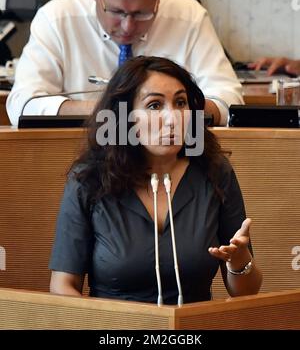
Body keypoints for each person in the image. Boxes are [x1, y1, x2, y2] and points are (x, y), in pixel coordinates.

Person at [49, 56, 262, 304]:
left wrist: (239, 259)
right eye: (154, 106)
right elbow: (62, 286)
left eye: (181, 103)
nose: (173, 118)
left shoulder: (214, 171)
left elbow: (246, 293)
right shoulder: (90, 179)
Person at [6, 0, 243, 126]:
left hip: (173, 156)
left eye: (142, 13)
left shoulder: (188, 15)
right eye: (117, 11)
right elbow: (22, 105)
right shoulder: (56, 18)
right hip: (80, 156)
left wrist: (171, 112)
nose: (128, 26)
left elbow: (228, 100)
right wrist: (109, 112)